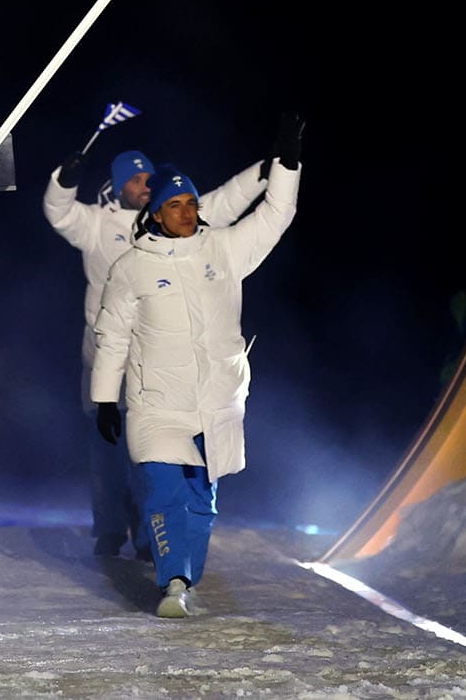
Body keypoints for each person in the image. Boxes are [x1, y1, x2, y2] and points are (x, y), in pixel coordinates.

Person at [90, 113, 303, 618]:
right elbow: (112, 335)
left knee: (200, 502)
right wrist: (104, 397)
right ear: (157, 214)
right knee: (163, 492)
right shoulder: (131, 267)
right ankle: (174, 582)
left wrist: (288, 164)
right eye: (174, 205)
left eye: (191, 204)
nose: (186, 213)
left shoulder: (224, 249)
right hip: (156, 404)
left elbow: (275, 215)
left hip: (215, 403)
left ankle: (187, 572)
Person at [45, 145, 265, 558]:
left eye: (149, 178)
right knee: (107, 453)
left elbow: (224, 200)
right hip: (106, 357)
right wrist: (64, 179)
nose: (146, 186)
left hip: (157, 365)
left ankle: (151, 536)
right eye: (136, 179)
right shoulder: (96, 224)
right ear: (118, 184)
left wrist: (265, 170)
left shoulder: (169, 217)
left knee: (151, 459)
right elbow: (60, 213)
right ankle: (110, 528)